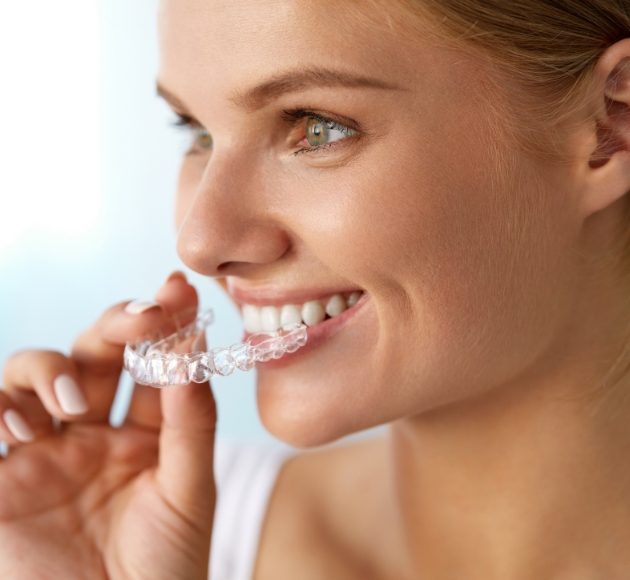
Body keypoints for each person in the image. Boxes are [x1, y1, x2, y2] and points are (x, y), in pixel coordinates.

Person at [2, 0, 630, 578]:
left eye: (319, 127)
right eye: (196, 132)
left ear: (610, 127)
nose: (200, 243)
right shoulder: (147, 534)